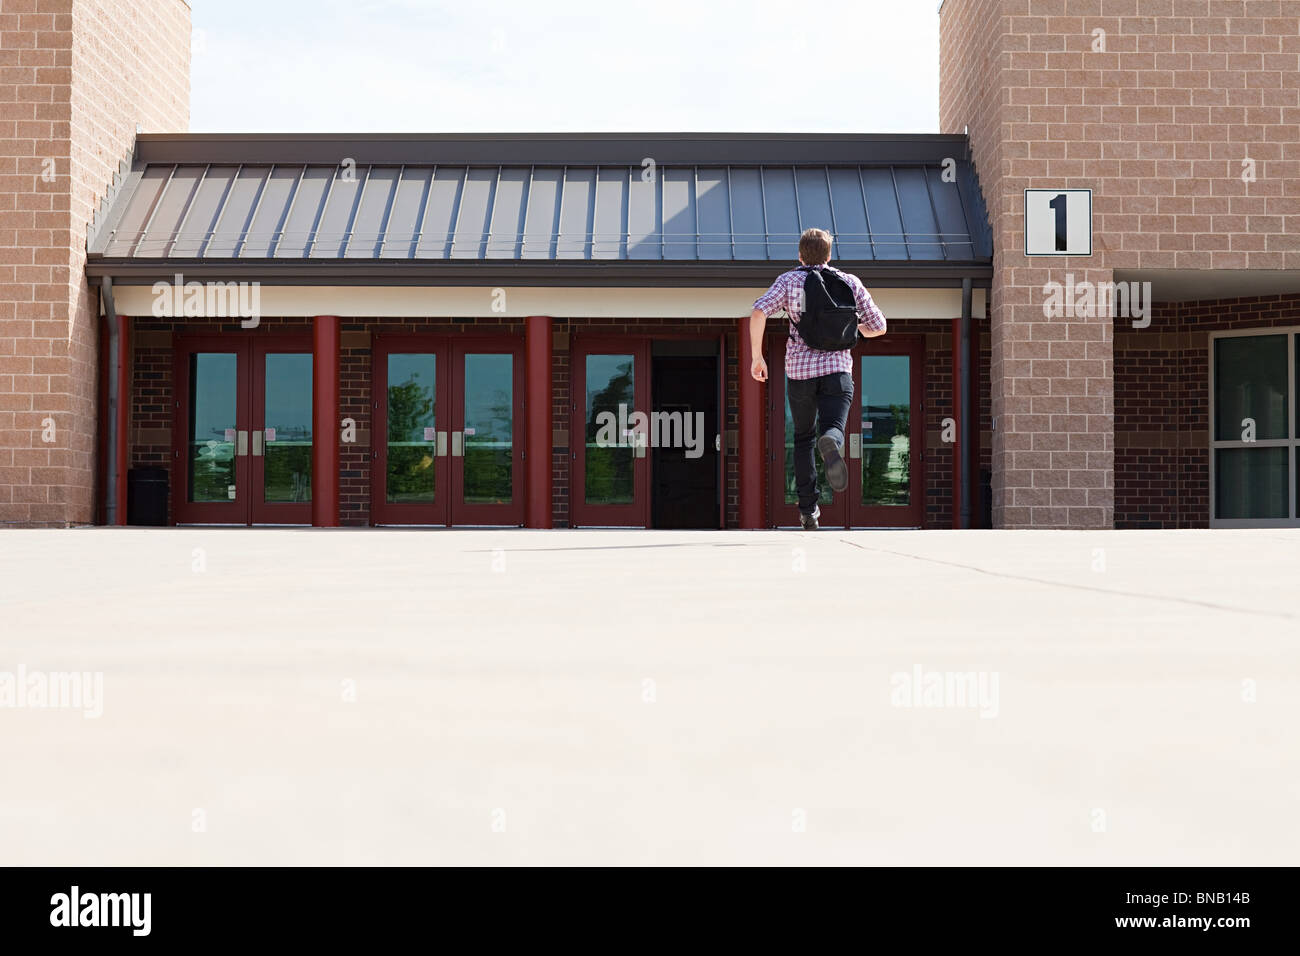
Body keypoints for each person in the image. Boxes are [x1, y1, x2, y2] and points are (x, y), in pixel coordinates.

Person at [749, 228, 887, 529]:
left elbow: (759, 312)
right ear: (829, 255)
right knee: (833, 428)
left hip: (799, 373)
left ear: (800, 255)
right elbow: (879, 326)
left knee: (802, 438)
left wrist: (757, 357)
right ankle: (832, 441)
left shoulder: (789, 281)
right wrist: (853, 329)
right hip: (837, 371)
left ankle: (808, 511)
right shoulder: (849, 281)